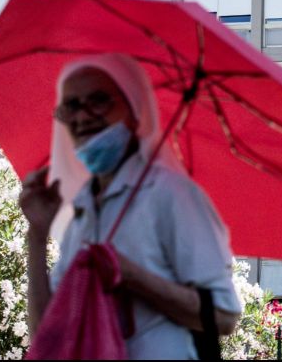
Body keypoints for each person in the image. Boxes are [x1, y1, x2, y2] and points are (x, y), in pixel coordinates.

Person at [18, 54, 240, 360]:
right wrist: (37, 235)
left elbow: (224, 317)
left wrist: (133, 276)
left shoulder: (171, 194)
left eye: (99, 100)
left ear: (135, 111)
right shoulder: (81, 210)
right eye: (70, 106)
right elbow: (47, 335)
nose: (82, 117)